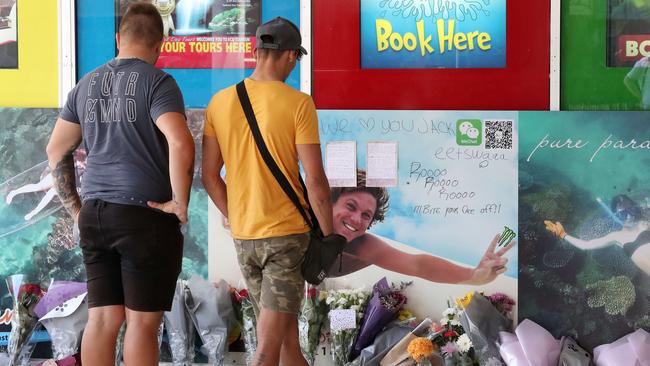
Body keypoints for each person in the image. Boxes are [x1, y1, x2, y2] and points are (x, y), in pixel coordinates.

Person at [45, 3, 194, 366]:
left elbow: (55, 149)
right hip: (144, 217)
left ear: (118, 38)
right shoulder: (158, 82)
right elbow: (180, 141)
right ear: (161, 43)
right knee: (142, 324)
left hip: (96, 215)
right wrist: (179, 202)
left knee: (103, 318)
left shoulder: (85, 84)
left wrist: (78, 210)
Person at [202, 17, 333, 366]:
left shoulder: (219, 103)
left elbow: (210, 176)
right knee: (266, 350)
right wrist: (330, 236)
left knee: (286, 340)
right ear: (291, 55)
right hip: (286, 239)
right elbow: (316, 181)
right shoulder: (298, 104)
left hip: (245, 238)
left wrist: (235, 213)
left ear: (257, 51)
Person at [327, 170, 515, 285]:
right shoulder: (303, 224)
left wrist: (475, 276)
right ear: (330, 202)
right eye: (351, 206)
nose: (356, 219)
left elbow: (418, 265)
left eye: (366, 215)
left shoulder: (362, 245)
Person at [545, 194, 650, 276]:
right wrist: (563, 235)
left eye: (631, 210)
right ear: (616, 216)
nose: (629, 217)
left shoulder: (644, 223)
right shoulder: (616, 236)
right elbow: (585, 245)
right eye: (623, 214)